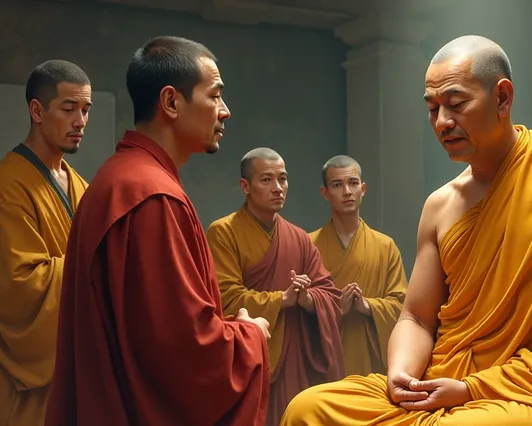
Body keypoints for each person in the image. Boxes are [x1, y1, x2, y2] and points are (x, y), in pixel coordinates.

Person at [280, 35, 532, 426]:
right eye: (432, 108)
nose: (442, 122)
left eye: (456, 104)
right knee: (308, 408)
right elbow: (417, 318)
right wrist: (402, 375)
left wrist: (473, 388)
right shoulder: (441, 205)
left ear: (502, 99)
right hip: (443, 379)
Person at [45, 36, 271, 426]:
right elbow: (183, 350)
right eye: (215, 96)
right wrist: (249, 337)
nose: (225, 111)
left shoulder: (118, 180)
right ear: (171, 102)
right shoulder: (150, 196)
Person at [206, 147, 344, 426]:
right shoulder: (223, 232)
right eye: (267, 180)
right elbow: (226, 298)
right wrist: (282, 298)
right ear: (245, 186)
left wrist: (307, 299)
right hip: (252, 357)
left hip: (295, 358)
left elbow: (330, 294)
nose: (278, 188)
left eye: (283, 179)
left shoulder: (299, 238)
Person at [0, 59, 91, 426]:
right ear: (36, 110)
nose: (80, 121)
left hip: (75, 369)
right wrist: (96, 263)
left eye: (86, 110)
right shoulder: (9, 183)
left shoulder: (81, 185)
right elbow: (20, 283)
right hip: (26, 380)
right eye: (68, 109)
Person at [309, 155, 407, 376]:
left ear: (363, 189)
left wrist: (367, 306)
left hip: (372, 361)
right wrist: (333, 310)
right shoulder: (309, 246)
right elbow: (299, 313)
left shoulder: (385, 246)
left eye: (353, 183)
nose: (346, 191)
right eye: (337, 185)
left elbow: (402, 307)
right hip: (325, 360)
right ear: (325, 193)